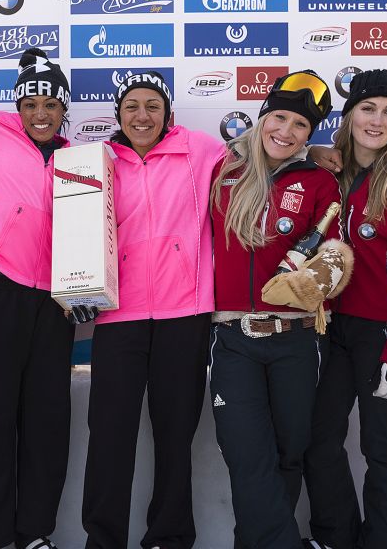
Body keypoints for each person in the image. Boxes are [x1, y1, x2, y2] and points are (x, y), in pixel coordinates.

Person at [209, 71, 352, 549]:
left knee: (289, 454)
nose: (286, 131)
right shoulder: (224, 172)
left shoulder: (320, 182)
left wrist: (312, 283)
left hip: (297, 340)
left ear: (311, 135)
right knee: (247, 454)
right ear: (263, 117)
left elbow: (336, 258)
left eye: (300, 126)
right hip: (233, 338)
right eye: (279, 117)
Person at [80, 71, 223, 549]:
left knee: (175, 435)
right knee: (109, 438)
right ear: (118, 115)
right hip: (119, 316)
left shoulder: (200, 150)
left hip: (185, 315)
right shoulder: (96, 161)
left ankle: (170, 536)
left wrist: (322, 154)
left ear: (168, 114)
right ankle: (103, 539)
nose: (142, 116)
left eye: (152, 106)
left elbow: (264, 156)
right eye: (132, 107)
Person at [302, 70, 387, 549]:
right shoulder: (329, 172)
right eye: (367, 108)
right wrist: (309, 153)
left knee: (385, 449)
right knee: (319, 442)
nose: (377, 120)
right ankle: (335, 538)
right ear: (349, 114)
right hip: (329, 329)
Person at [0, 47, 76, 549]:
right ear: (18, 107)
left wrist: (314, 153)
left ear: (63, 109)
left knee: (46, 420)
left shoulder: (81, 157)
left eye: (51, 104)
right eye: (31, 104)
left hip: (55, 301)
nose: (40, 113)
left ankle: (34, 533)